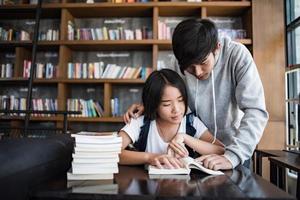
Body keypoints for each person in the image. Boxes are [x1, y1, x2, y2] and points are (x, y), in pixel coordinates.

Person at [124, 18, 269, 170]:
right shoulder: (180, 61)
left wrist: (233, 156)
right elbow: (169, 94)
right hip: (193, 152)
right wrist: (149, 105)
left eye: (204, 63)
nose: (197, 72)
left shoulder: (237, 55)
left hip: (234, 149)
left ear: (217, 47)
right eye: (190, 68)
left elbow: (255, 110)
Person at [118, 69, 224, 169]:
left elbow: (221, 150)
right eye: (167, 104)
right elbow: (111, 152)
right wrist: (150, 158)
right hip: (148, 185)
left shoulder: (191, 122)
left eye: (181, 100)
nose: (176, 110)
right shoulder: (140, 122)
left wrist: (185, 138)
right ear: (154, 104)